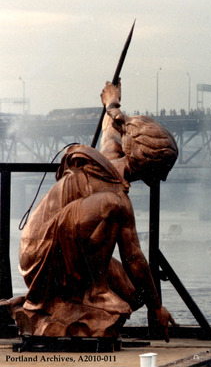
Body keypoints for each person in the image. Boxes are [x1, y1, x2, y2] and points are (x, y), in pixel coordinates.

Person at [10, 80, 178, 340]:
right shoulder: (117, 197)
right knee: (113, 206)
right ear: (148, 165)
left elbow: (110, 131)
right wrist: (157, 308)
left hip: (59, 246)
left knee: (134, 295)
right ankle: (95, 293)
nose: (162, 180)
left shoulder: (111, 158)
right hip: (37, 252)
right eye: (161, 171)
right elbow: (133, 257)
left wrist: (113, 104)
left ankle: (51, 299)